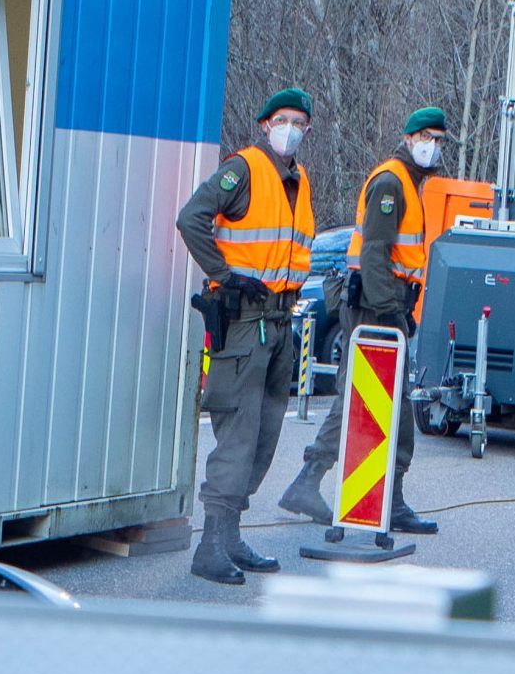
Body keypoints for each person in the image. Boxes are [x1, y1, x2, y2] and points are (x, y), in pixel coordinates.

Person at [278, 106, 448, 535]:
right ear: (409, 138)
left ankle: (331, 485)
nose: (433, 145)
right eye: (426, 136)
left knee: (371, 401)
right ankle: (357, 490)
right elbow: (375, 253)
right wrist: (392, 312)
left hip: (384, 306)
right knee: (373, 403)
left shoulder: (407, 181)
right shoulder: (391, 182)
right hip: (376, 308)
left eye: (439, 139)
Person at [177, 87, 316, 585]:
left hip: (279, 324)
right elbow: (191, 217)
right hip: (244, 324)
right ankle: (210, 544)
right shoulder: (245, 170)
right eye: (283, 120)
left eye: (299, 123)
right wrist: (224, 275)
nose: (291, 129)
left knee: (264, 435)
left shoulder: (298, 181)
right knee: (238, 433)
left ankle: (231, 534)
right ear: (265, 124)